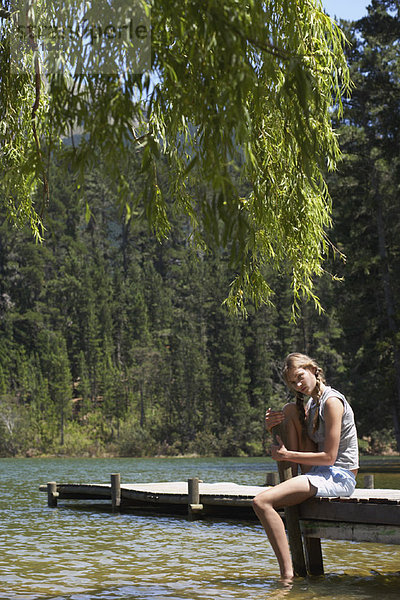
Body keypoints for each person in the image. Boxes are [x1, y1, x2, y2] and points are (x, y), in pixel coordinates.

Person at [252, 352, 359, 582]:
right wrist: (273, 429)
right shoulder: (310, 405)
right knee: (289, 410)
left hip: (339, 476)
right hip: (318, 473)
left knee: (261, 501)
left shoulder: (331, 402)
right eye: (292, 382)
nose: (298, 385)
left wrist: (286, 454)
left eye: (300, 377)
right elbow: (307, 449)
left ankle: (287, 576)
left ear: (312, 369)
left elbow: (330, 457)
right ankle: (292, 572)